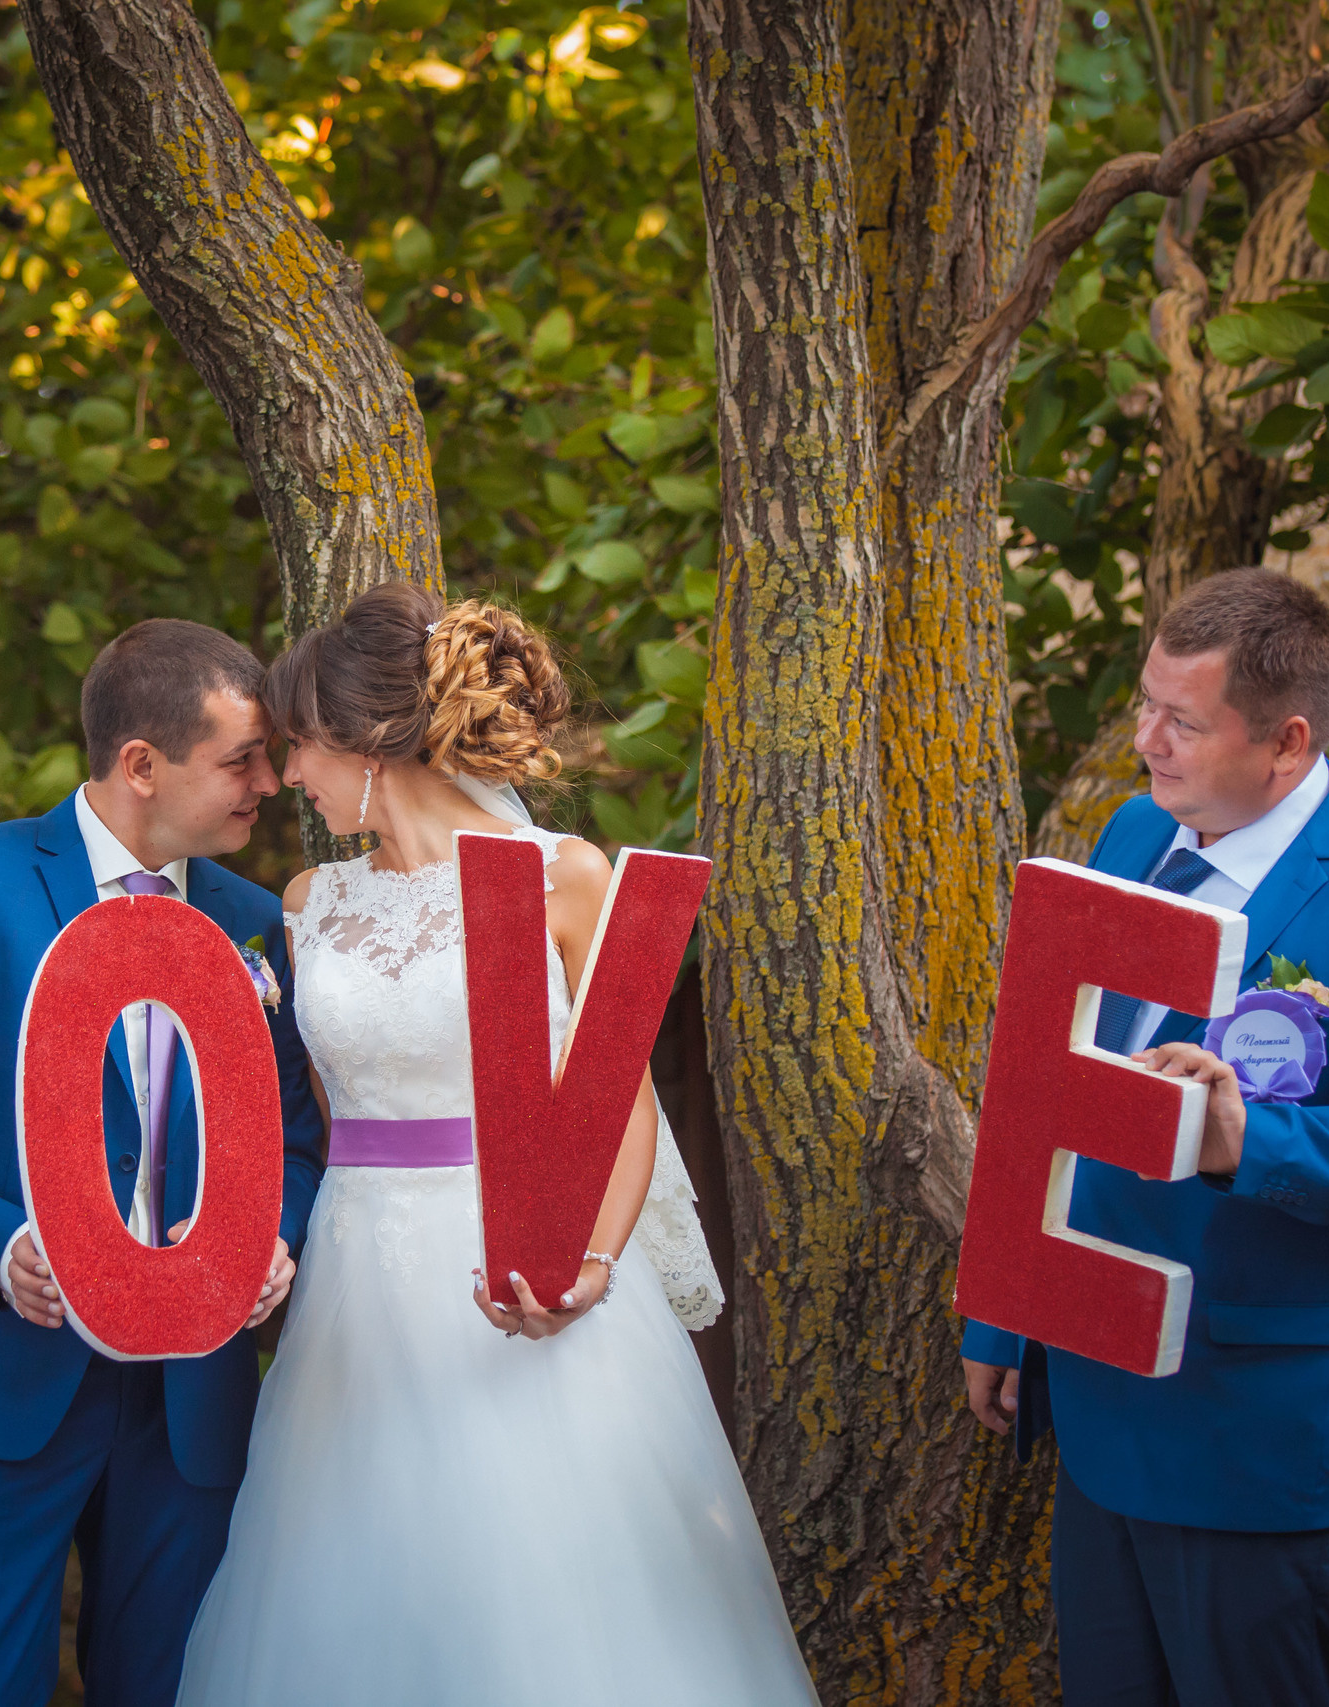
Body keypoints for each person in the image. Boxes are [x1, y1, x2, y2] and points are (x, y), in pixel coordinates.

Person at [175, 584, 812, 1707]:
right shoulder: (312, 898)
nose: (288, 782)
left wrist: (586, 1264)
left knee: (551, 1580)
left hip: (521, 1267)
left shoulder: (568, 877)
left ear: (360, 742)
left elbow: (620, 1104)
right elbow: (324, 1110)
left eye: (298, 751)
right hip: (355, 1289)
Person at [958, 568, 1329, 1707]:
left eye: (1182, 721)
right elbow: (1045, 1079)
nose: (1143, 742)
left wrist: (1243, 1143)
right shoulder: (1130, 835)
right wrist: (1007, 1308)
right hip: (1099, 1388)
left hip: (1262, 1428)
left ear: (1286, 741)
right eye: (1143, 703)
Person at [0, 618, 325, 1707]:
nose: (268, 785)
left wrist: (274, 1235)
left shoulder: (252, 924)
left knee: (168, 1687)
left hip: (187, 1401)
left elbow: (292, 1138)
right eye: (239, 761)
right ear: (141, 765)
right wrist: (4, 1249)